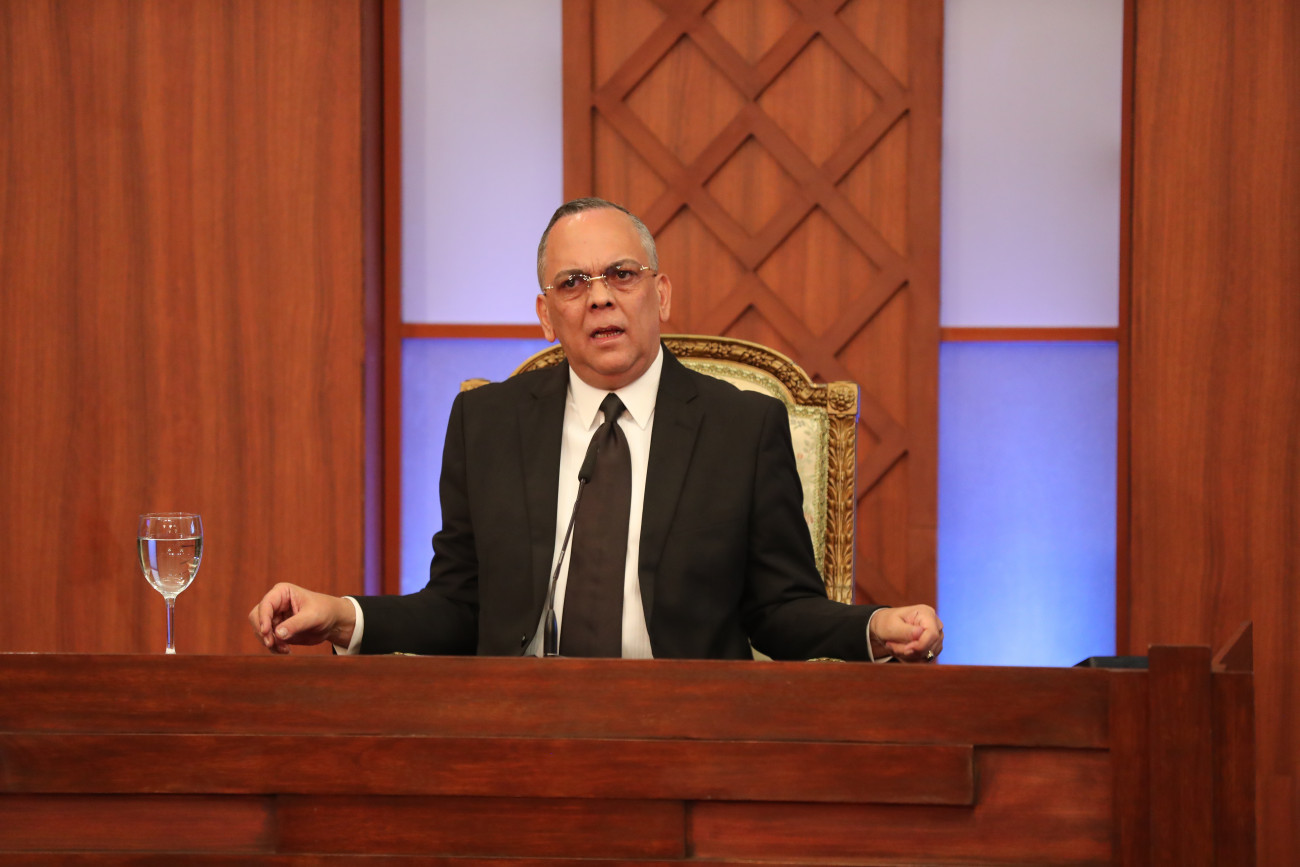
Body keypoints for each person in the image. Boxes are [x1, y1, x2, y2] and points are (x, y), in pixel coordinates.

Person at [250, 198, 943, 662]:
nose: (601, 297)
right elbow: (460, 607)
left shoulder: (741, 427)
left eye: (621, 274)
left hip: (688, 731)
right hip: (520, 731)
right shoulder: (488, 425)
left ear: (660, 294)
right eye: (574, 283)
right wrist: (341, 614)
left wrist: (874, 627)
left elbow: (780, 609)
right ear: (546, 316)